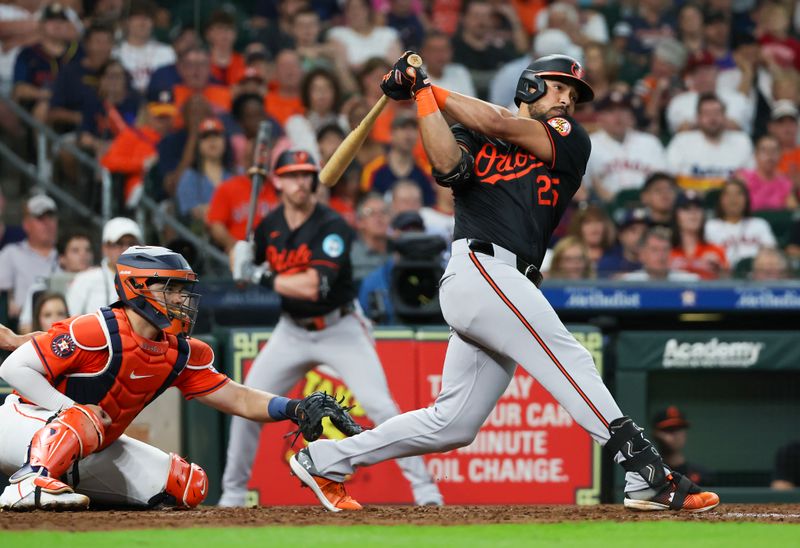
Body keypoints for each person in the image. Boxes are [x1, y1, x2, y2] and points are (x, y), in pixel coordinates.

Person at [289, 51, 719, 512]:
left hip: (506, 282)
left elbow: (503, 125)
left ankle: (325, 459)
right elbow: (447, 167)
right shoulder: (470, 129)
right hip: (480, 270)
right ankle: (644, 471)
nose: (566, 100)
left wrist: (426, 86)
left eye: (573, 94)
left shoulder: (570, 138)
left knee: (452, 424)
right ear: (530, 87)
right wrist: (422, 98)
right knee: (569, 356)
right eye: (558, 88)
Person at [0, 245, 356, 510]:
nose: (181, 298)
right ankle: (28, 483)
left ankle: (78, 501)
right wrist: (73, 409)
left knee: (186, 486)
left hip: (89, 447)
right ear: (138, 285)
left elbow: (238, 397)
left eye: (182, 289)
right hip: (21, 429)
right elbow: (13, 369)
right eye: (170, 288)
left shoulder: (181, 351)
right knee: (86, 416)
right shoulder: (96, 329)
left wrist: (294, 408)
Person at [222, 149, 442, 508]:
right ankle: (232, 495)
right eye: (292, 175)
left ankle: (426, 491)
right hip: (292, 330)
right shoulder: (269, 226)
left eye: (306, 174)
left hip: (339, 326)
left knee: (381, 407)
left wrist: (259, 274)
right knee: (246, 404)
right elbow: (245, 276)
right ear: (277, 181)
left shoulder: (332, 226)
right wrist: (240, 256)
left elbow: (313, 286)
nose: (300, 182)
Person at [585, 90, 666, 203]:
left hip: (648, 206)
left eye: (623, 110)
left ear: (631, 115)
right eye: (610, 111)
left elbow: (663, 181)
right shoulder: (588, 145)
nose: (618, 116)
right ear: (599, 117)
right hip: (606, 207)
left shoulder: (650, 142)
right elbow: (582, 189)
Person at [666, 93, 753, 192]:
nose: (712, 118)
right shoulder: (681, 140)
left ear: (725, 116)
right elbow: (670, 177)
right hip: (691, 202)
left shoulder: (742, 140)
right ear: (698, 118)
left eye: (717, 113)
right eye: (707, 113)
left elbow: (751, 178)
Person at [66, 217, 142, 317]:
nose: (126, 249)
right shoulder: (85, 279)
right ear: (105, 248)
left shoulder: (149, 281)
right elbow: (69, 321)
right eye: (119, 243)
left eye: (132, 244)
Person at [0, 195, 59, 321]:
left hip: (65, 324)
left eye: (51, 217)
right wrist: (8, 299)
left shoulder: (69, 253)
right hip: (23, 325)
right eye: (40, 218)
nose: (47, 223)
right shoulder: (12, 253)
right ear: (26, 224)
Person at [705, 179, 777, 268]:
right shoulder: (710, 226)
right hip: (722, 276)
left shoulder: (759, 224)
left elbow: (771, 252)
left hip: (757, 275)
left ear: (746, 199)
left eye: (738, 194)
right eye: (728, 194)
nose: (733, 199)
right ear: (720, 200)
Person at [115, 0, 175, 94]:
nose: (142, 22)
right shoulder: (115, 52)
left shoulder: (166, 52)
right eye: (137, 17)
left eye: (147, 17)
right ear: (126, 22)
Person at [669, 191, 729, 280]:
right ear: (676, 215)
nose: (693, 213)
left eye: (697, 209)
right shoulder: (665, 251)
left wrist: (719, 270)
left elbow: (728, 284)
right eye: (686, 209)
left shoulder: (716, 251)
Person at [651, 407, 714, 487]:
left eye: (678, 429)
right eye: (669, 429)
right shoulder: (649, 474)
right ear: (656, 434)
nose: (675, 435)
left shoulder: (703, 475)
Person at [735, 135, 796, 211]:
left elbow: (792, 212)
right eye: (764, 150)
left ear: (780, 155)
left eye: (774, 151)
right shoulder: (743, 178)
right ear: (755, 155)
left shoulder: (785, 182)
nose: (770, 155)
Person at [621, 227, 700, 282]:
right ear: (642, 255)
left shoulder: (689, 282)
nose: (661, 255)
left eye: (665, 250)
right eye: (655, 250)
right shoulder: (629, 283)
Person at [597, 208, 649, 279]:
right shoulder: (608, 264)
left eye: (644, 232)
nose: (639, 236)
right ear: (620, 235)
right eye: (633, 231)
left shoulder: (656, 263)